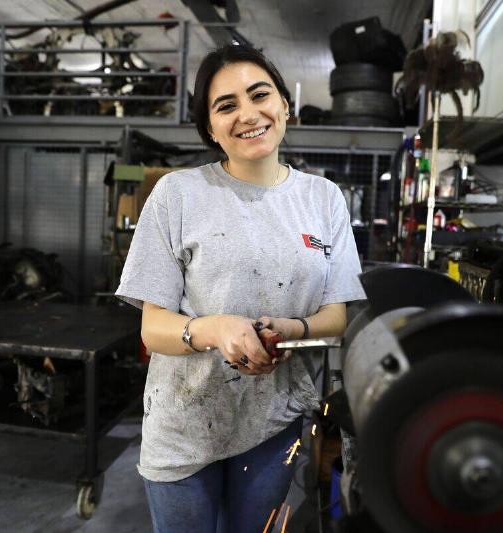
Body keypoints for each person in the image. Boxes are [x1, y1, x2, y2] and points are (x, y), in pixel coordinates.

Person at [115, 44, 366, 533]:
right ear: (210, 128)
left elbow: (338, 315)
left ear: (284, 106)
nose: (248, 114)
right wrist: (215, 329)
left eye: (259, 95)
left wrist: (294, 328)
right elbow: (153, 329)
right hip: (185, 420)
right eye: (226, 105)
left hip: (273, 421)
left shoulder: (323, 199)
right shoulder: (178, 194)